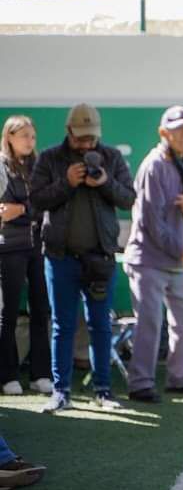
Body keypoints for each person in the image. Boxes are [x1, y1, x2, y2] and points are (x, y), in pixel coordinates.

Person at [31, 104, 136, 413]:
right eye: (81, 139)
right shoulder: (50, 158)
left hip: (100, 257)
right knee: (62, 325)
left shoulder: (112, 157)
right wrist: (67, 182)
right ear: (69, 132)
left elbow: (129, 198)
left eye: (92, 139)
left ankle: (103, 391)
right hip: (60, 257)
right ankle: (61, 391)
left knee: (101, 325)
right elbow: (36, 201)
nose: (87, 144)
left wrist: (104, 182)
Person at [123, 106, 183, 403]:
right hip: (148, 258)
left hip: (179, 259)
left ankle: (180, 378)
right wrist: (180, 248)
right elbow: (151, 222)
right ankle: (140, 383)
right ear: (164, 133)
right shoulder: (153, 166)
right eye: (179, 129)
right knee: (149, 321)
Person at [0, 116, 52, 396]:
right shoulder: (1, 166)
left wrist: (20, 209)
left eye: (32, 136)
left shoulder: (40, 166)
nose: (30, 142)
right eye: (24, 136)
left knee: (41, 310)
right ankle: (8, 375)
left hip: (39, 246)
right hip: (9, 247)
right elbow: (1, 209)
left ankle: (40, 374)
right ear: (9, 137)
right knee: (7, 312)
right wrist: (17, 209)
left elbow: (45, 203)